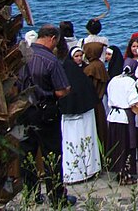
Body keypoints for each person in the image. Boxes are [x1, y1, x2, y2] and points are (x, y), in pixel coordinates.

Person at [16, 25, 75, 207]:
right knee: (52, 155)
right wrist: (67, 90)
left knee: (27, 154)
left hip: (24, 109)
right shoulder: (51, 60)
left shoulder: (22, 56)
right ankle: (57, 196)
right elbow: (60, 91)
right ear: (51, 38)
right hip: (45, 111)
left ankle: (31, 194)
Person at [59, 46, 101, 185]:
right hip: (85, 116)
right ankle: (90, 169)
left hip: (69, 118)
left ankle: (71, 173)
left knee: (70, 144)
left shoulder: (65, 80)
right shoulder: (82, 79)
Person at [106, 66, 138, 185]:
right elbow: (133, 100)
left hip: (113, 117)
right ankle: (125, 175)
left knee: (117, 146)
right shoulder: (129, 82)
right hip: (124, 118)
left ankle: (119, 172)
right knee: (126, 146)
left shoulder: (113, 80)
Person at [82, 42, 109, 151]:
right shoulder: (100, 65)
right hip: (99, 102)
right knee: (101, 130)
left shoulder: (91, 68)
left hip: (93, 104)